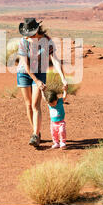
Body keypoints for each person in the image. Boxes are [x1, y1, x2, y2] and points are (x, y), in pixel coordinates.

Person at [17, 18, 68, 147]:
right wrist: (36, 80)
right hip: (24, 73)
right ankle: (36, 132)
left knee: (35, 104)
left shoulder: (47, 41)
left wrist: (63, 77)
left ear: (36, 32)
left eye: (30, 35)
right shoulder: (23, 41)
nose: (27, 37)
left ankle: (35, 134)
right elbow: (25, 64)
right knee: (28, 104)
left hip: (40, 72)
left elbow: (55, 59)